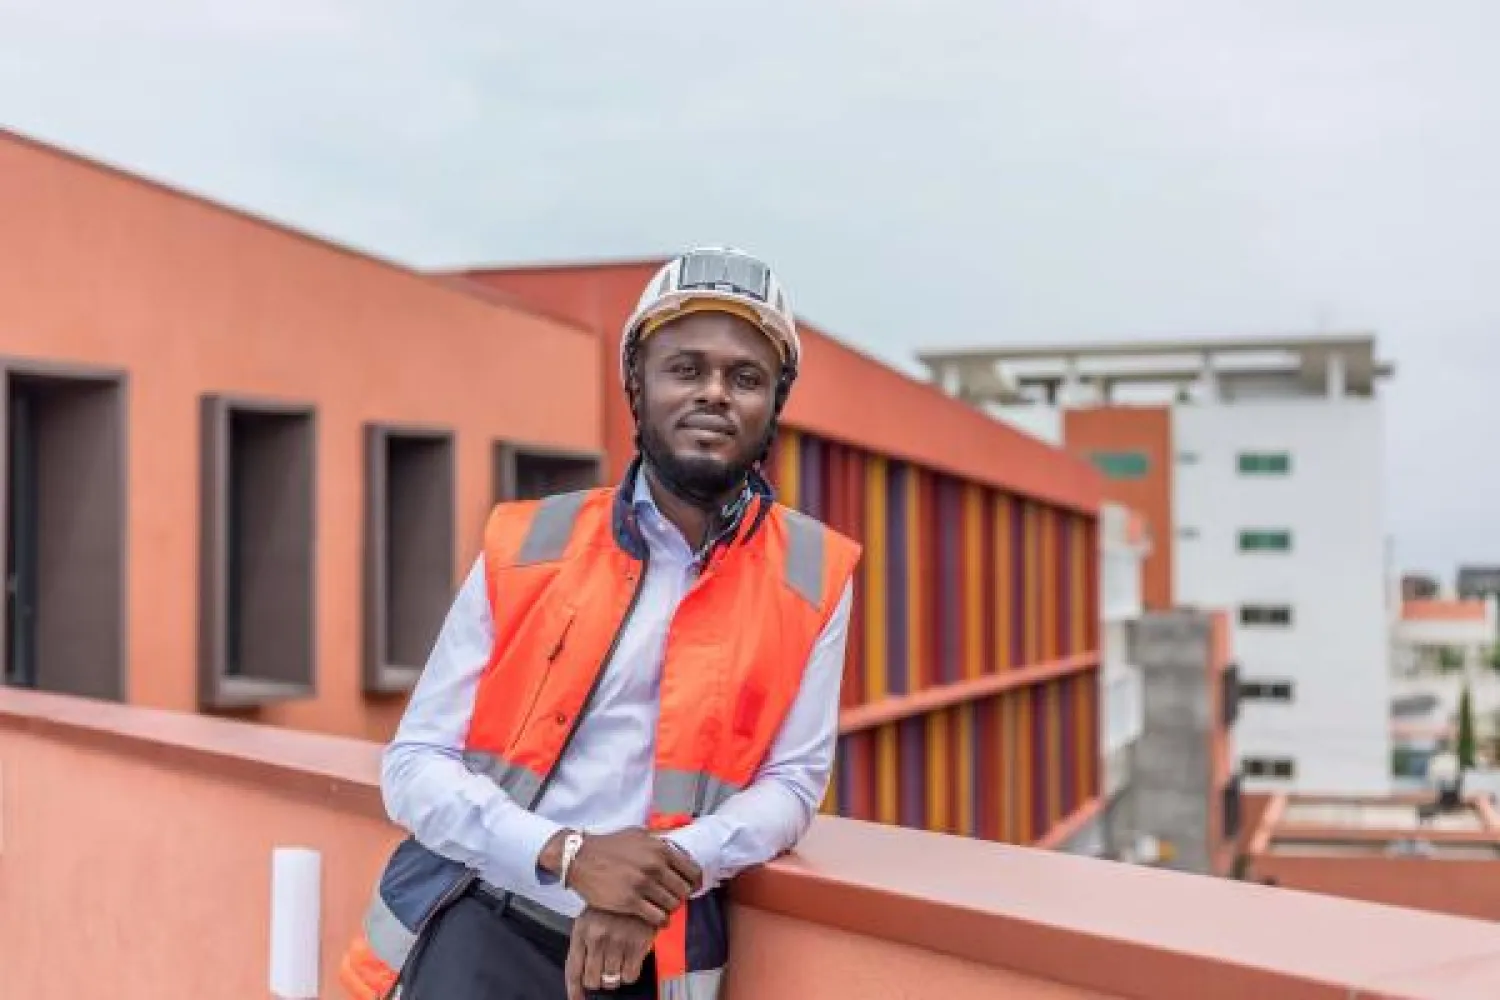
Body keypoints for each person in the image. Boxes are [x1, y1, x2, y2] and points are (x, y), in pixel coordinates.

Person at [340, 247, 862, 1000]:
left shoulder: (814, 571)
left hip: (653, 956)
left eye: (745, 377)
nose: (714, 393)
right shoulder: (528, 542)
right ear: (636, 387)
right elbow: (415, 764)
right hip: (480, 923)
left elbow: (793, 784)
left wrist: (649, 880)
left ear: (773, 404)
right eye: (685, 368)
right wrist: (569, 854)